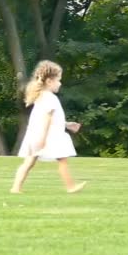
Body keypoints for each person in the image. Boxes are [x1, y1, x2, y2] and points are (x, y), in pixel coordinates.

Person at [10, 60, 86, 194]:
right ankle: (70, 187)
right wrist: (43, 139)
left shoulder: (43, 97)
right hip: (48, 137)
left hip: (40, 135)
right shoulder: (49, 98)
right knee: (62, 160)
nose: (60, 83)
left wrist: (67, 125)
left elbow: (54, 119)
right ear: (50, 81)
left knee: (29, 163)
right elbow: (46, 119)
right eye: (58, 80)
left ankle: (16, 188)